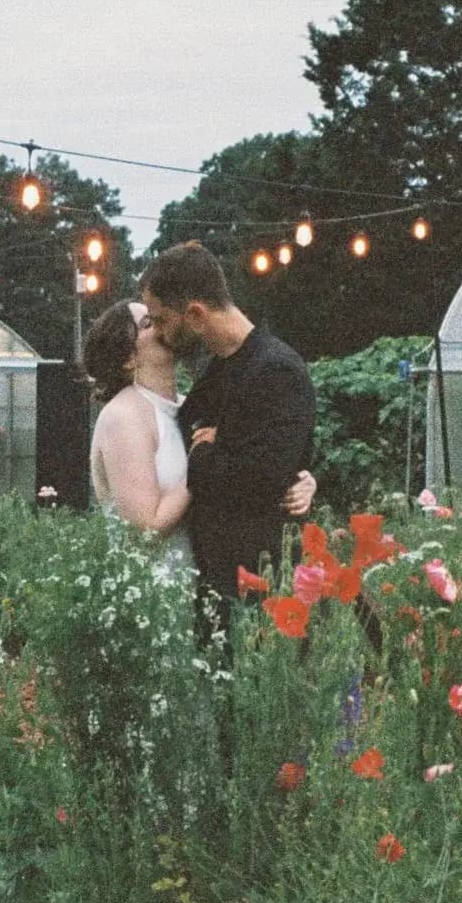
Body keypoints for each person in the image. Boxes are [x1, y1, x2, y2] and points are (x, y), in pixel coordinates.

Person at [137, 242, 316, 642]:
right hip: (219, 581)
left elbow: (259, 482)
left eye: (162, 321)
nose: (161, 334)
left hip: (257, 593)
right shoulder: (220, 368)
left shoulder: (276, 370)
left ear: (196, 314)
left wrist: (206, 453)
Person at [81, 298, 313, 574]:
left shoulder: (188, 404)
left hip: (202, 582)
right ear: (128, 358)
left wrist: (298, 481)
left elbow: (244, 467)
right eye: (147, 323)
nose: (161, 326)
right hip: (152, 591)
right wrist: (201, 461)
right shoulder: (123, 416)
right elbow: (145, 528)